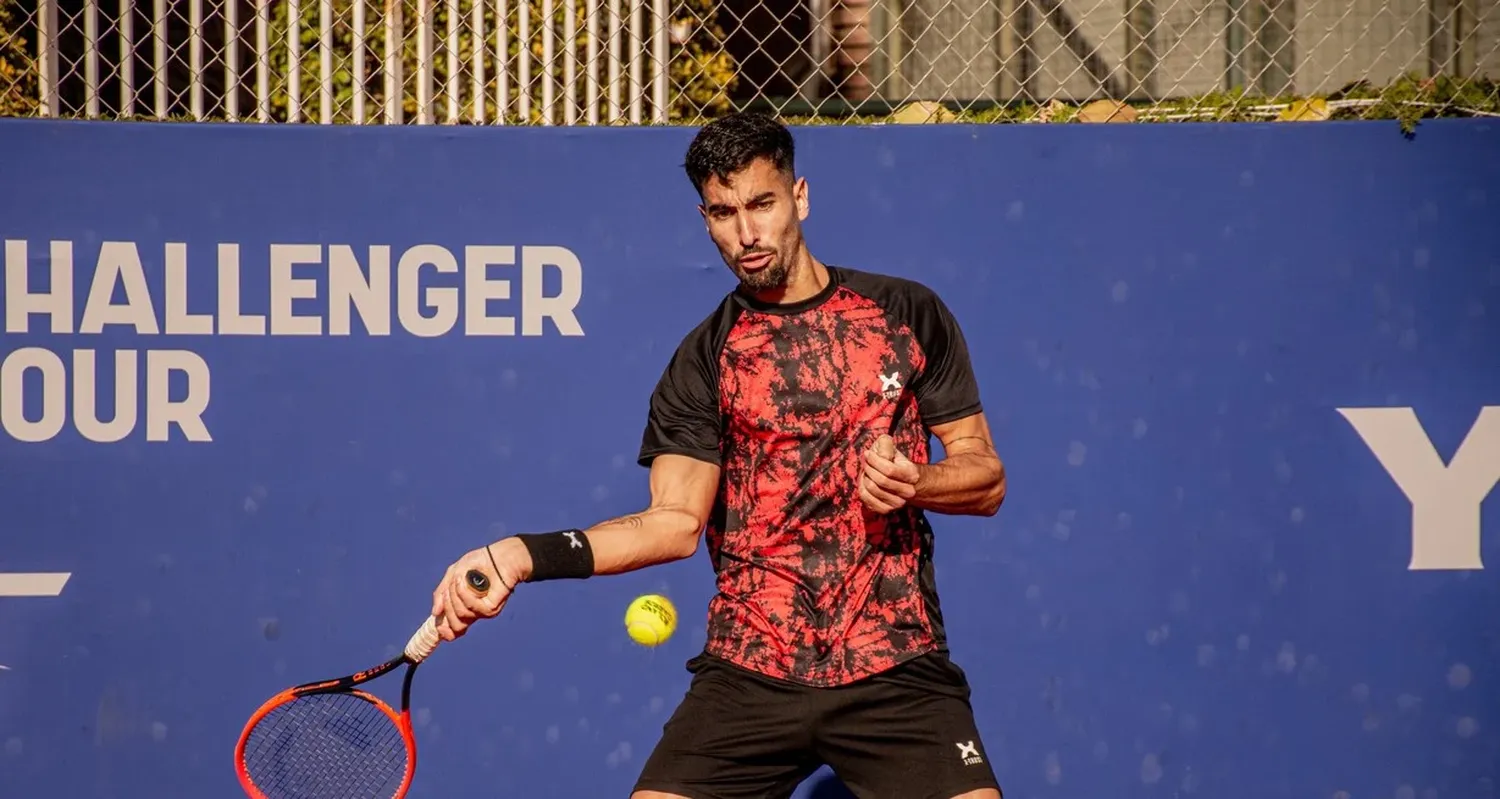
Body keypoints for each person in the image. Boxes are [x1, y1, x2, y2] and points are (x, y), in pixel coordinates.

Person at [429, 111, 1007, 799]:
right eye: (724, 212)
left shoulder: (906, 313)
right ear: (705, 218)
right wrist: (521, 554)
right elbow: (674, 522)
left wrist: (919, 480)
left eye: (762, 203)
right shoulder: (704, 359)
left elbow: (986, 477)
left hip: (896, 664)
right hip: (750, 668)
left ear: (799, 197)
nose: (746, 231)